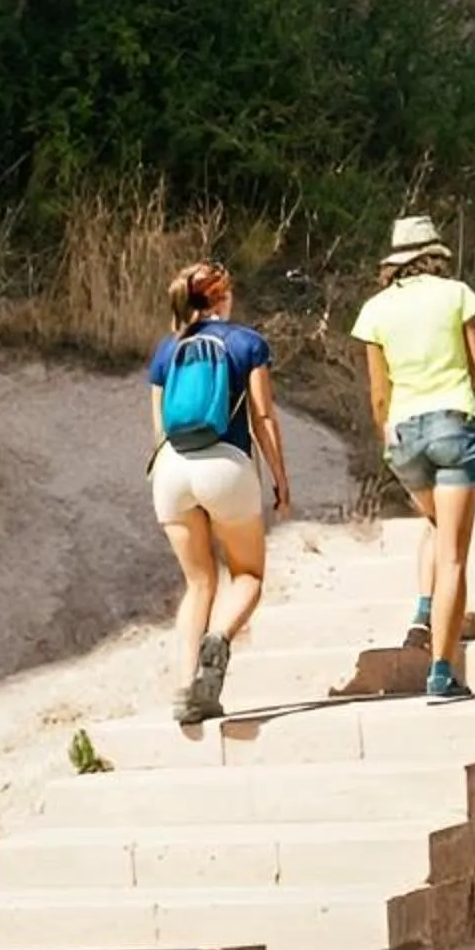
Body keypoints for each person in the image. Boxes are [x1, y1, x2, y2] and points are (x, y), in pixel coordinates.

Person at [349, 215, 475, 702]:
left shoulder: (374, 310)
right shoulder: (456, 295)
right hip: (453, 425)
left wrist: (388, 440)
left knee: (434, 523)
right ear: (434, 256)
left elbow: (378, 394)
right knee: (453, 553)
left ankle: (423, 611)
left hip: (404, 434)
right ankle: (441, 673)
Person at [145, 261, 293, 724]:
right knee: (247, 575)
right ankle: (220, 637)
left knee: (198, 583)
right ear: (222, 298)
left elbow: (159, 428)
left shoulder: (167, 350)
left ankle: (185, 687)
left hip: (172, 470)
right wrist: (280, 480)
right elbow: (263, 418)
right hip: (224, 465)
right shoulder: (246, 343)